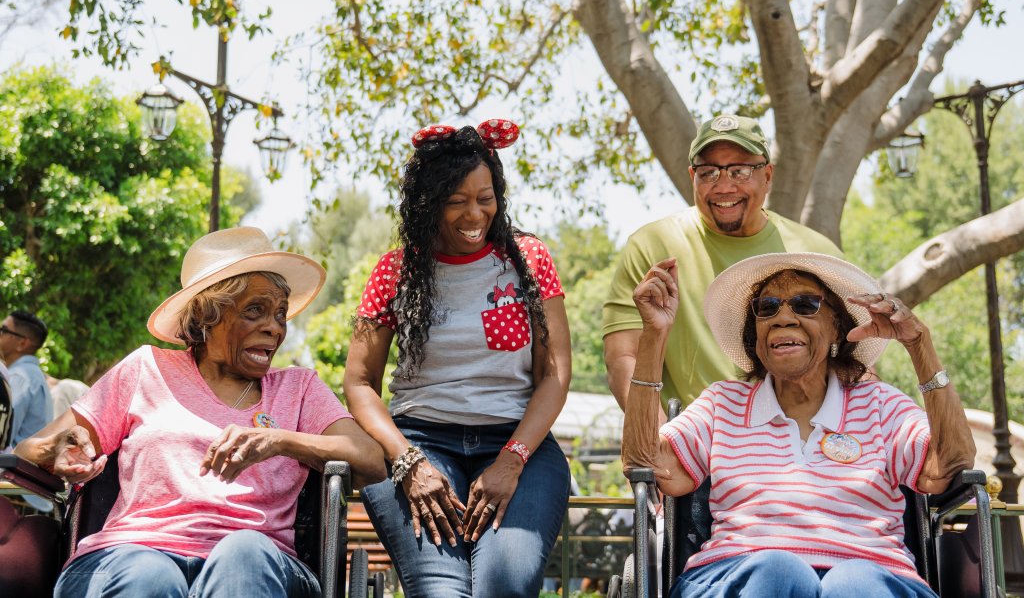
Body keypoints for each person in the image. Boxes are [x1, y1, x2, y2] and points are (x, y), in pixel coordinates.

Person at [14, 226, 386, 598]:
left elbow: (371, 460)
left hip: (258, 566)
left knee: (244, 554)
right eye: (256, 311)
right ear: (207, 316)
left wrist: (279, 441)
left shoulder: (298, 388)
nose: (274, 328)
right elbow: (33, 448)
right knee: (149, 575)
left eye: (280, 315)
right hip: (133, 550)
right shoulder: (145, 368)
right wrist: (59, 449)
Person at [621, 252, 976, 598]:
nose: (783, 317)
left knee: (854, 584)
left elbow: (949, 466)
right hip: (737, 574)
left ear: (837, 327)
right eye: (767, 307)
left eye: (805, 305)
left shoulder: (879, 404)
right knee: (779, 571)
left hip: (873, 573)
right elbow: (645, 463)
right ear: (755, 335)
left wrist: (919, 345)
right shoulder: (723, 403)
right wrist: (654, 336)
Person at [344, 120, 572, 598]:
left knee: (503, 587)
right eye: (457, 201)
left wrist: (511, 461)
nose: (475, 213)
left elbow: (554, 374)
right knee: (442, 594)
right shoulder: (396, 270)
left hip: (518, 443)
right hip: (422, 445)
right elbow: (360, 383)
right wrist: (408, 462)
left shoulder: (527, 259)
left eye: (485, 197)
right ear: (429, 202)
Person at [603, 114, 843, 414]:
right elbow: (623, 358)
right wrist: (660, 444)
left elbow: (854, 363)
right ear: (693, 176)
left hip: (802, 442)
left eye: (740, 171)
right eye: (709, 172)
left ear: (767, 176)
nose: (724, 185)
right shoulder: (654, 245)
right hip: (690, 442)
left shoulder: (814, 252)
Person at [1, 310, 53, 446]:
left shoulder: (19, 377)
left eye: (3, 330)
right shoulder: (31, 374)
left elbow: (2, 435)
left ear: (22, 344)